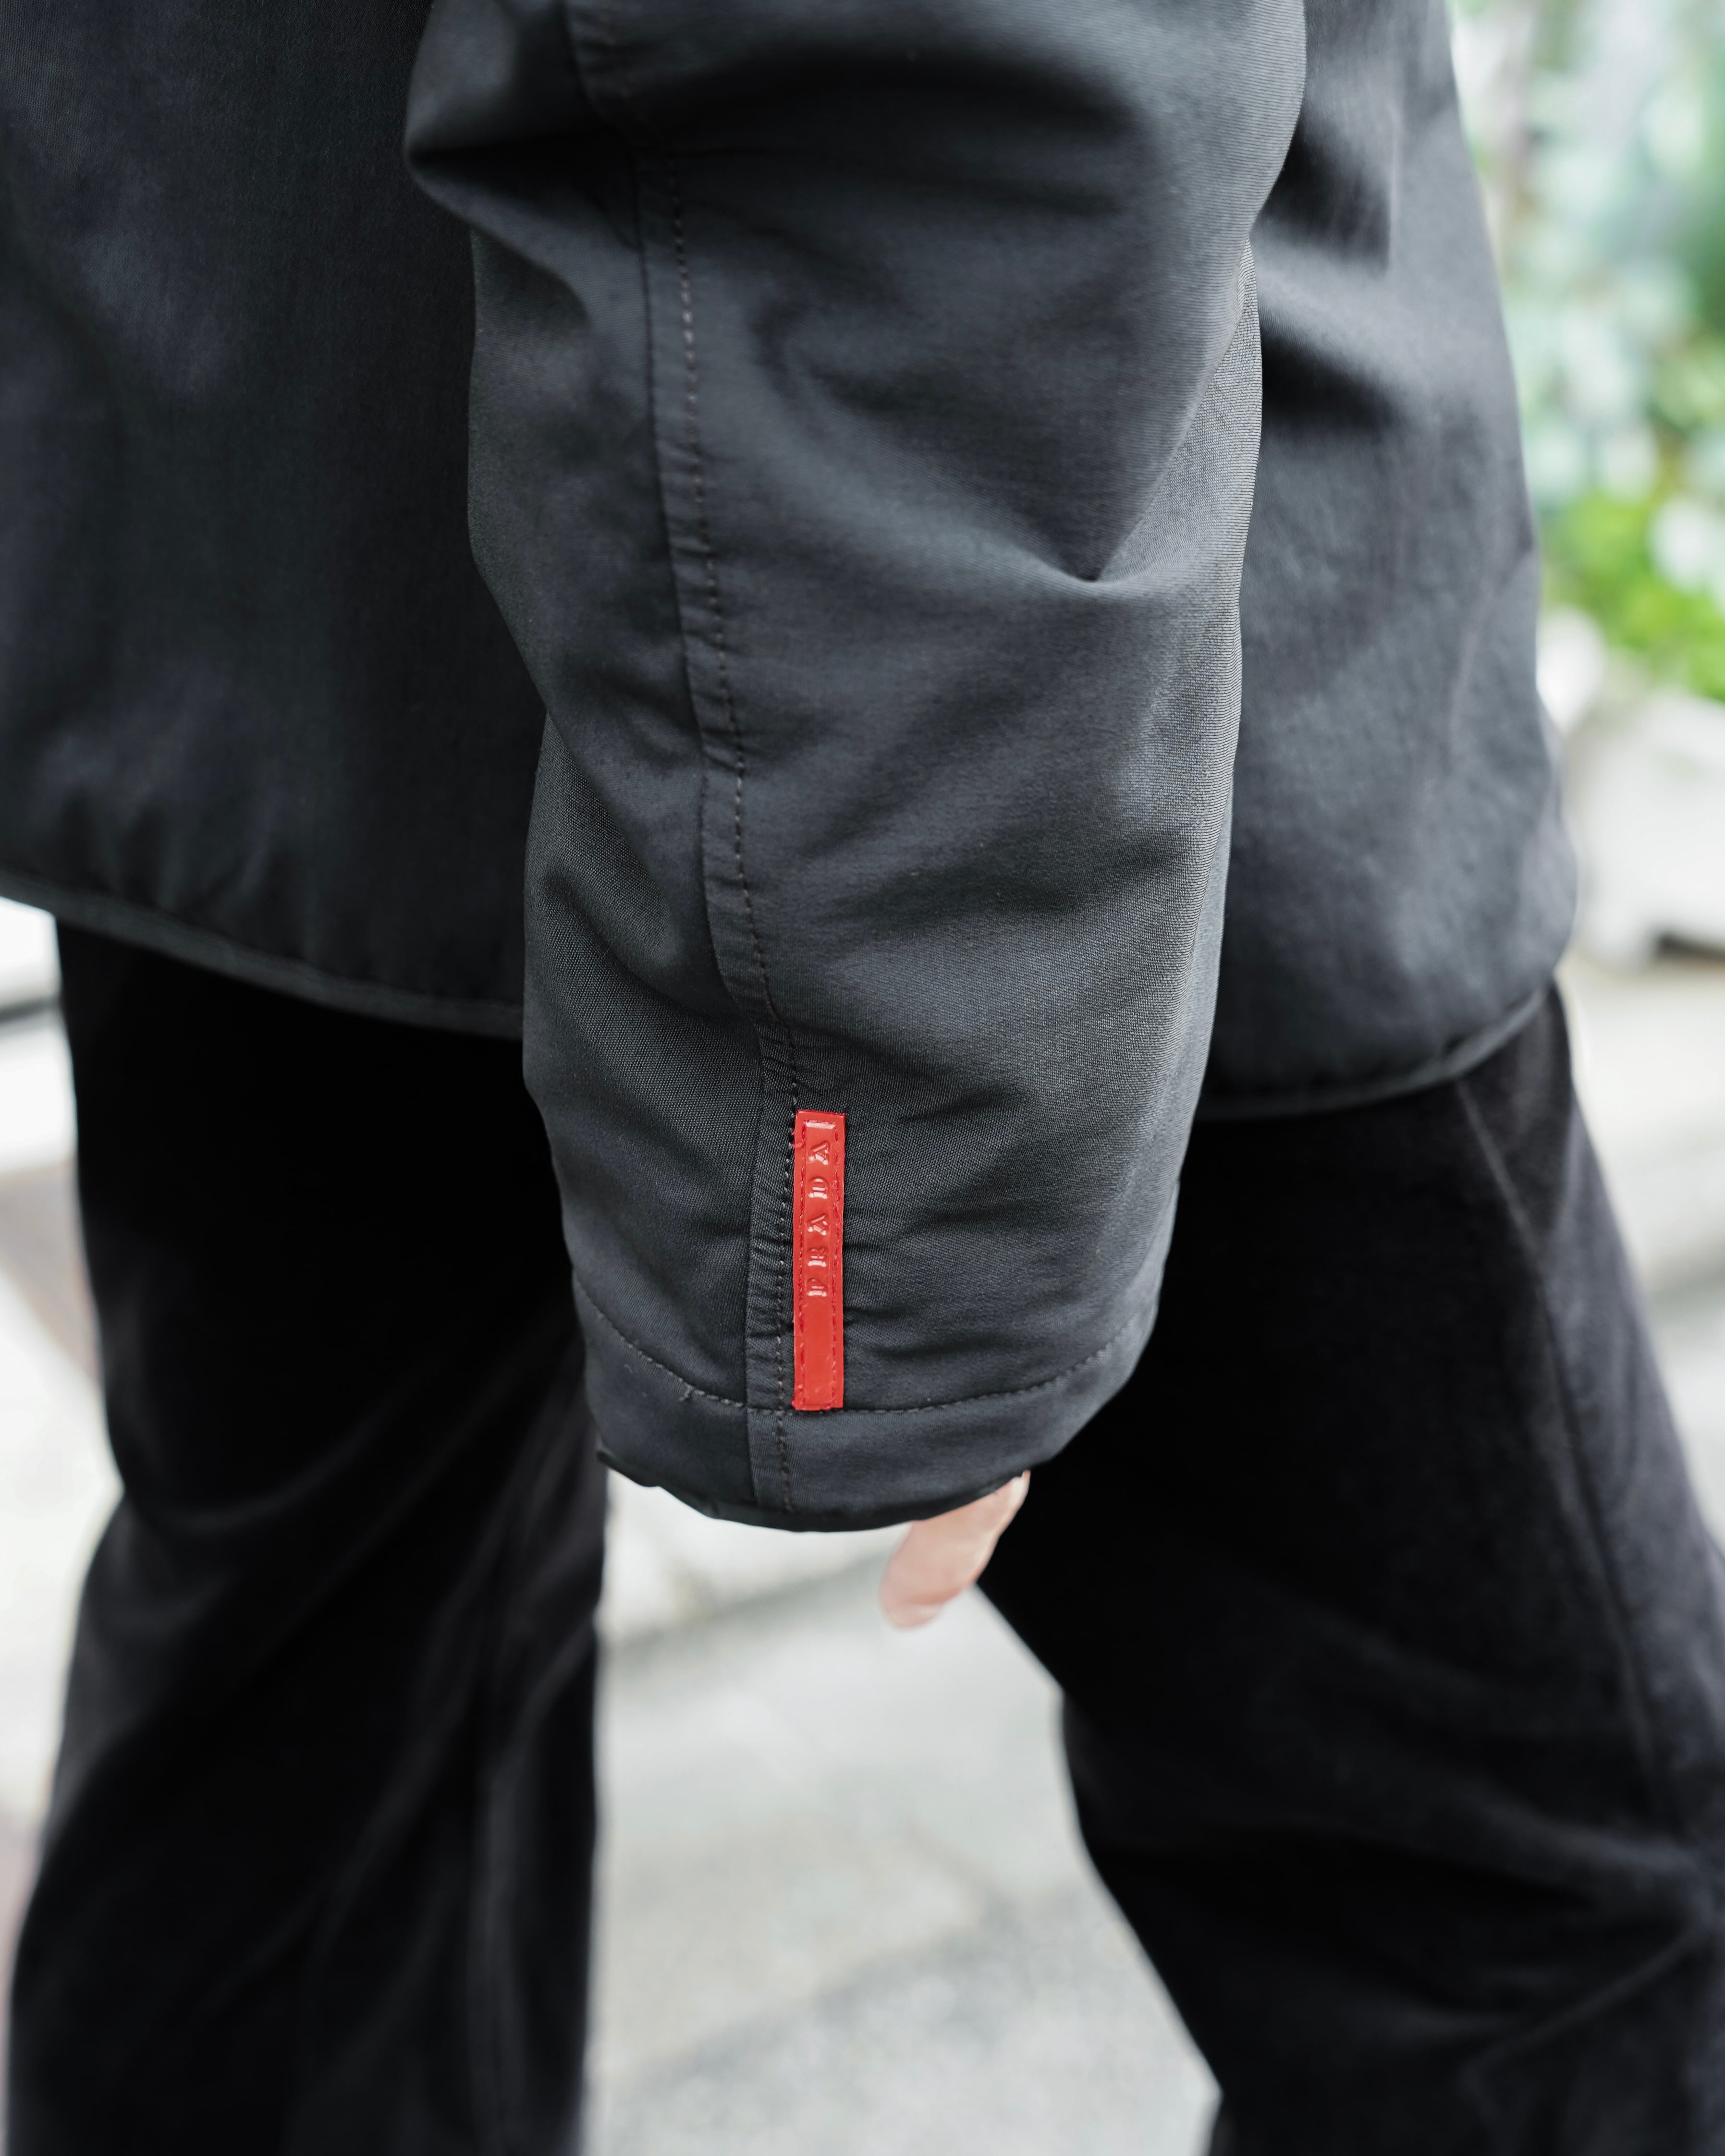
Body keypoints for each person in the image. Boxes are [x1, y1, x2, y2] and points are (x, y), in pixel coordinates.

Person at [4, 0, 1723, 2148]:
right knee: (1557, 1944)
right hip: (1025, 616)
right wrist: (900, 1154)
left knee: (317, 1750)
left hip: (252, 492)